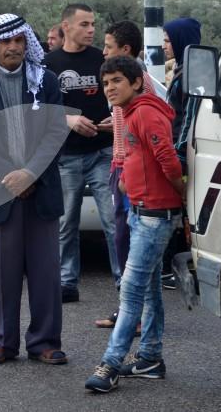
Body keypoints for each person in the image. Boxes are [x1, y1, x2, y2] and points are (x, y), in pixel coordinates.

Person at [0, 13, 67, 366]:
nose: (14, 48)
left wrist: (30, 174)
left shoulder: (45, 81)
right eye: (6, 42)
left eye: (20, 41)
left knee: (45, 272)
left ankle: (45, 341)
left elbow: (55, 132)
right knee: (0, 273)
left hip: (41, 187)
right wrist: (10, 176)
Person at [85, 55, 184, 393]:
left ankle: (110, 365)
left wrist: (181, 197)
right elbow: (136, 156)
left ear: (137, 82)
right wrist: (128, 181)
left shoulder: (144, 112)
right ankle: (150, 359)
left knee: (131, 291)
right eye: (106, 82)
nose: (109, 88)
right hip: (141, 211)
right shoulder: (129, 113)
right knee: (150, 289)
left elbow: (168, 160)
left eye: (117, 81)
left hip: (156, 216)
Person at [44, 3, 121, 303]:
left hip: (102, 152)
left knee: (113, 219)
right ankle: (66, 282)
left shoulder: (102, 59)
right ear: (66, 27)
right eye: (85, 24)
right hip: (66, 155)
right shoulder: (49, 64)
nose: (91, 30)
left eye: (93, 24)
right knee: (66, 223)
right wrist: (68, 119)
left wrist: (115, 119)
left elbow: (121, 96)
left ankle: (123, 283)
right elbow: (39, 109)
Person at [95, 20, 159, 329]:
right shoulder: (122, 85)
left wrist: (127, 168)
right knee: (122, 239)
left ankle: (135, 315)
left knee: (129, 240)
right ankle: (129, 309)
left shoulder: (140, 83)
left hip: (127, 169)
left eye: (108, 46)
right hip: (119, 164)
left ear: (125, 50)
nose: (103, 51)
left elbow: (146, 128)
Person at [161, 17, 202, 290]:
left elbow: (188, 117)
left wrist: (179, 154)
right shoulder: (183, 68)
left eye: (168, 40)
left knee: (182, 212)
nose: (164, 46)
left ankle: (183, 268)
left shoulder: (191, 74)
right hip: (177, 148)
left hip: (182, 151)